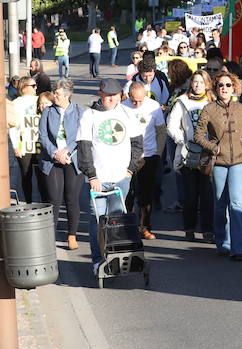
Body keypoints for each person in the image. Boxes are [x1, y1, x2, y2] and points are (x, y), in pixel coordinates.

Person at [76, 79, 143, 275]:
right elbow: (84, 149)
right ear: (100, 94)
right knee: (97, 221)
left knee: (117, 221)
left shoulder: (127, 114)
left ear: (120, 95)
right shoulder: (89, 115)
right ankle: (98, 261)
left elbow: (137, 145)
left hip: (121, 178)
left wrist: (130, 170)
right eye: (108, 95)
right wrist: (92, 176)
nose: (111, 99)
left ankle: (115, 258)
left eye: (115, 95)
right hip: (98, 179)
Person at [194, 71, 242, 260]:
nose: (224, 89)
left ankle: (238, 247)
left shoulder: (240, 108)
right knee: (220, 204)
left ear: (234, 87)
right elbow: (198, 135)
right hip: (218, 162)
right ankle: (223, 242)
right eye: (221, 85)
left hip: (238, 161)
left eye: (228, 85)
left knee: (236, 204)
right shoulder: (208, 109)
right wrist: (213, 147)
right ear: (216, 87)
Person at [37, 79, 84, 250]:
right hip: (52, 160)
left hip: (72, 160)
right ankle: (50, 237)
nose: (54, 96)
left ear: (67, 95)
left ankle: (72, 236)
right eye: (54, 92)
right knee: (54, 199)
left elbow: (80, 137)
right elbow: (42, 137)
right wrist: (55, 154)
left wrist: (66, 152)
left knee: (72, 199)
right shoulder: (48, 112)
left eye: (57, 93)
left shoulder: (79, 111)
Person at [167, 70, 214, 241]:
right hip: (188, 153)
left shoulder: (212, 101)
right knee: (190, 194)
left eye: (202, 82)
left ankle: (208, 229)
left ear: (207, 84)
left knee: (207, 193)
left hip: (208, 154)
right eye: (195, 81)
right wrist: (183, 140)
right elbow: (172, 126)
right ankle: (189, 227)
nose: (198, 85)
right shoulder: (182, 101)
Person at [122, 82, 166, 240]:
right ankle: (127, 226)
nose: (137, 104)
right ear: (129, 95)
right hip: (128, 156)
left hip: (149, 155)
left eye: (141, 100)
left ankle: (145, 227)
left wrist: (158, 154)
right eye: (134, 100)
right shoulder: (122, 107)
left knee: (146, 194)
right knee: (128, 193)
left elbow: (161, 131)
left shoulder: (153, 107)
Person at [10, 77, 47, 204]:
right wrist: (15, 146)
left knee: (42, 175)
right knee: (26, 175)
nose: (36, 87)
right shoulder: (15, 103)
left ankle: (45, 204)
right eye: (33, 85)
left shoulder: (40, 100)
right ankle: (28, 203)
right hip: (24, 144)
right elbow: (12, 127)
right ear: (24, 87)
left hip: (39, 143)